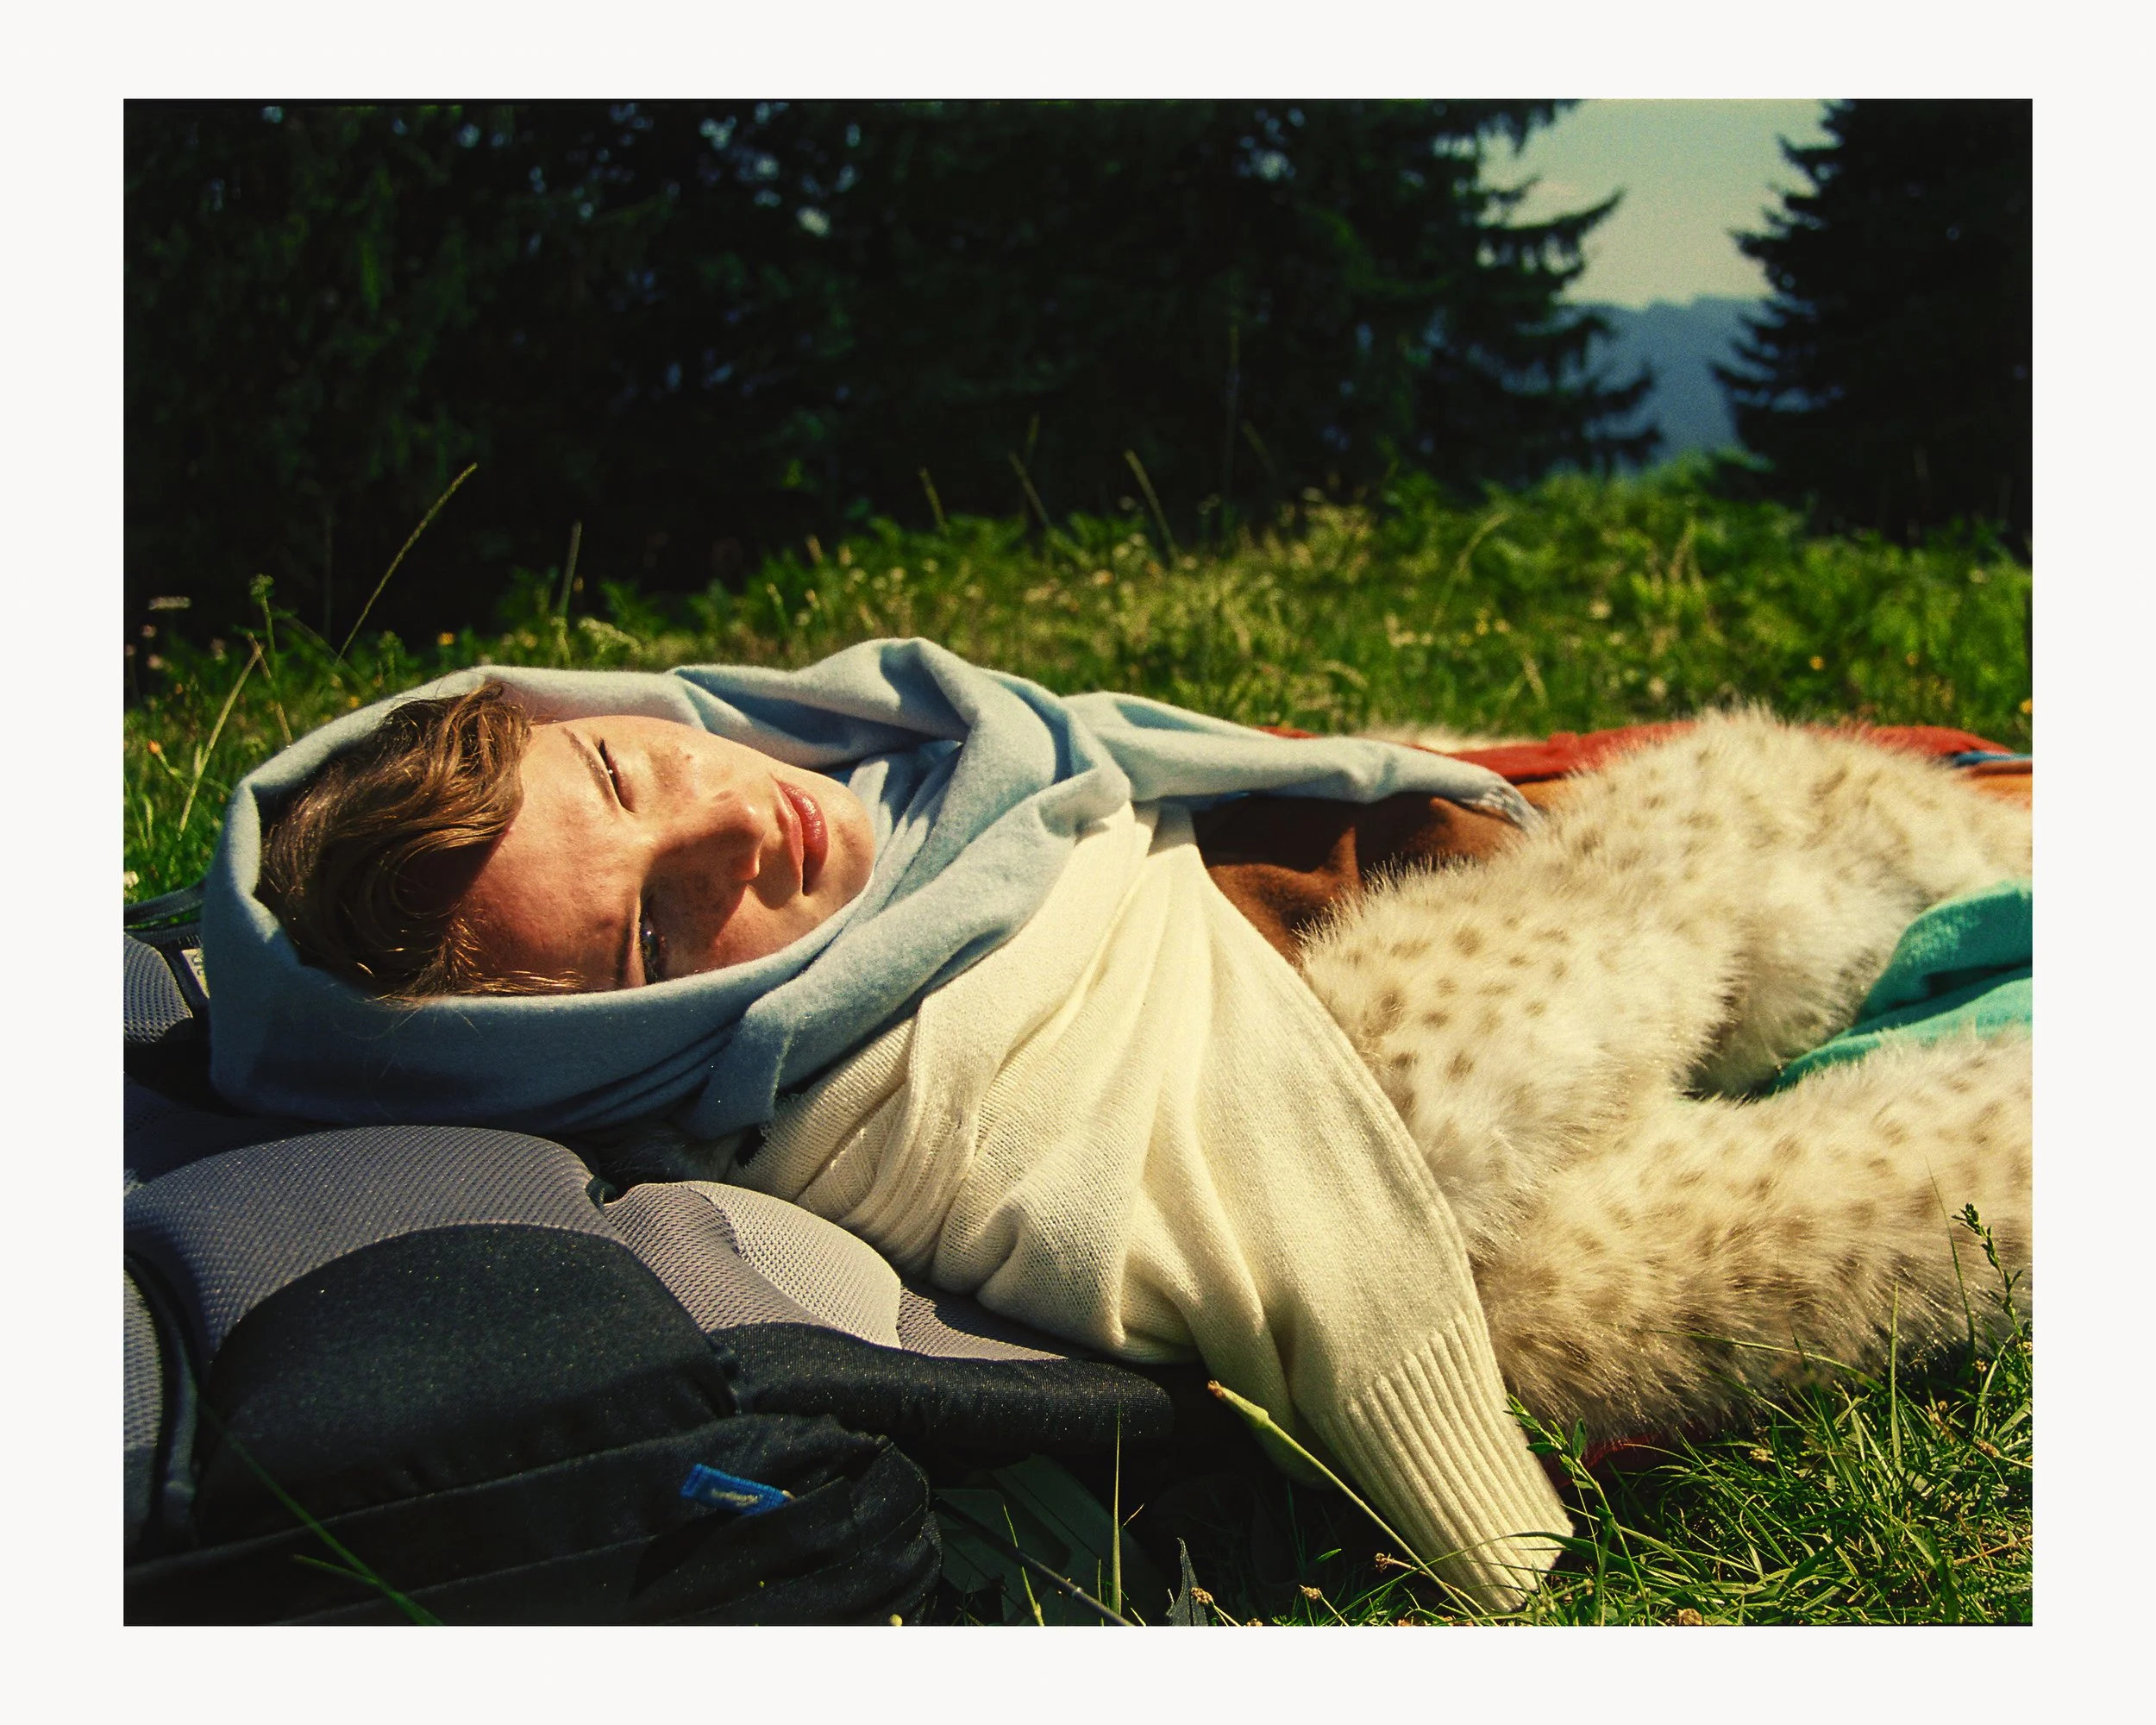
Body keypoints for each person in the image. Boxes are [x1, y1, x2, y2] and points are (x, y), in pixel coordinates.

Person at [204, 637, 2033, 1611]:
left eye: (625, 769)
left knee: (1779, 826)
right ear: (620, 1046)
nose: (730, 826)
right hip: (1419, 1115)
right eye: (654, 931)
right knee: (1819, 1172)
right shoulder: (873, 1099)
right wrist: (1513, 1572)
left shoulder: (920, 745)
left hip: (1450, 886)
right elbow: (1281, 1220)